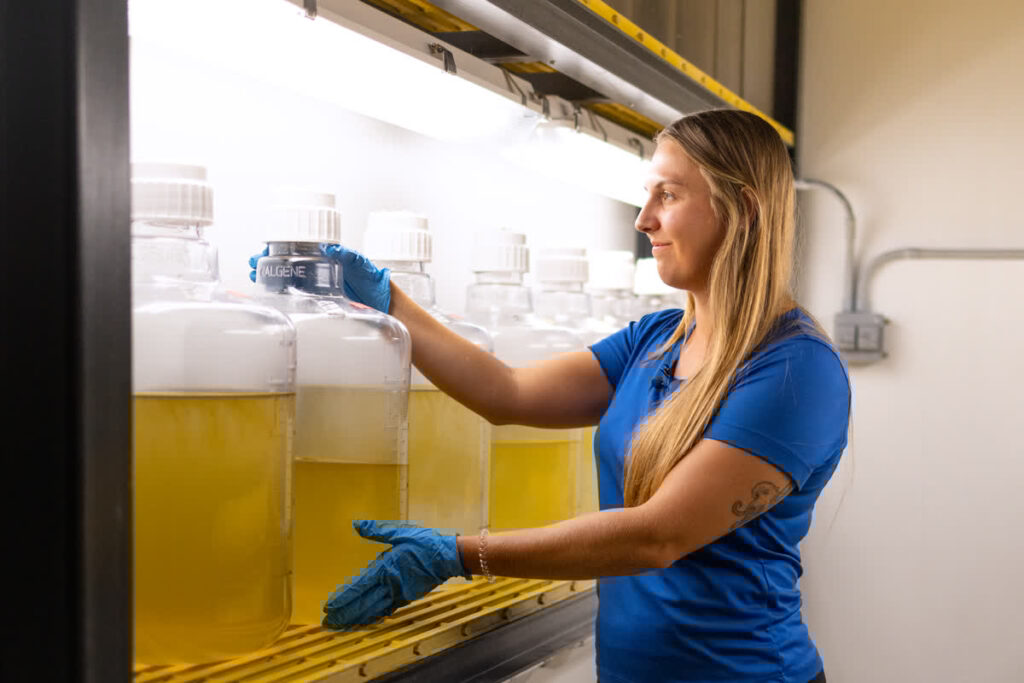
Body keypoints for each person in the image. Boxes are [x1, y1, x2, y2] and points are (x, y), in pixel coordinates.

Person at [250, 109, 849, 683]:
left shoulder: (795, 370)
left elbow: (657, 535)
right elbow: (506, 393)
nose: (644, 220)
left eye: (668, 195)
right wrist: (388, 301)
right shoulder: (657, 340)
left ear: (742, 210)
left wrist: (461, 555)